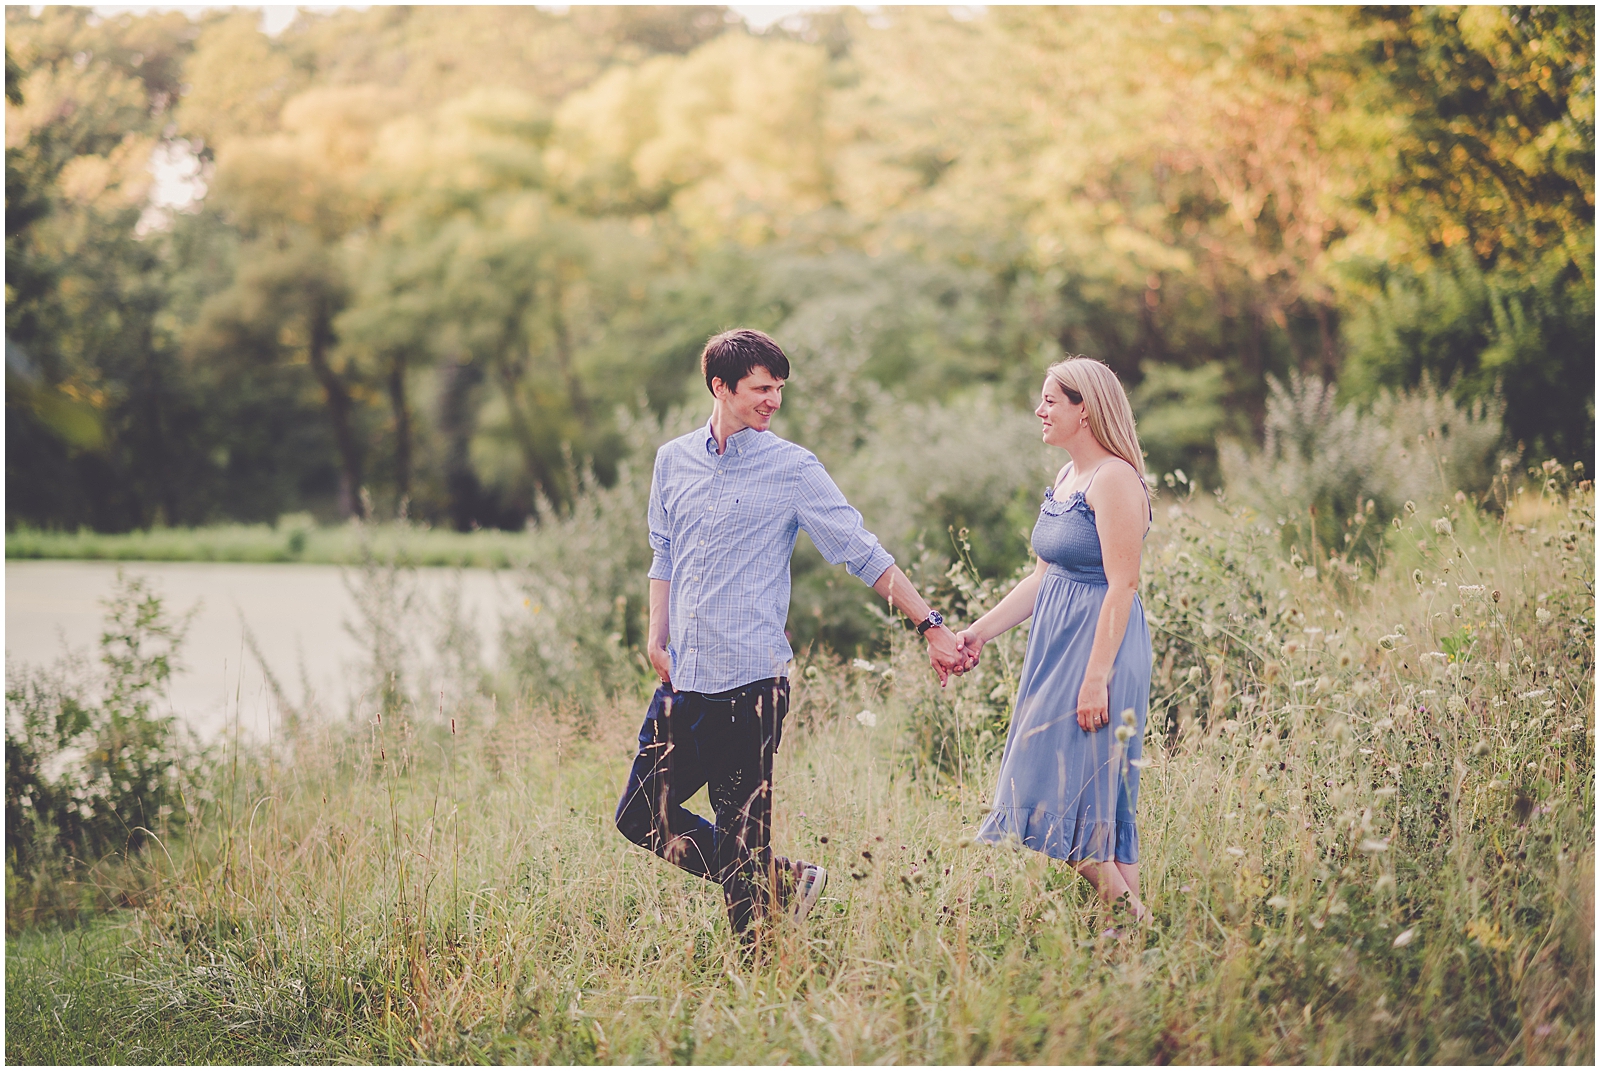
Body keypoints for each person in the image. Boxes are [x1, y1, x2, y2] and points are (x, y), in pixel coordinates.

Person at [614, 328, 966, 939]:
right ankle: (785, 882)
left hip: (751, 684)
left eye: (779, 388)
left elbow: (860, 551)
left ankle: (757, 973)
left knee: (743, 830)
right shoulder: (672, 460)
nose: (773, 400)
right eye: (760, 389)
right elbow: (663, 552)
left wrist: (929, 623)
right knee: (642, 815)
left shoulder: (793, 469)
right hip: (684, 676)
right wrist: (655, 635)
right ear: (719, 387)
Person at [954, 356, 1155, 926]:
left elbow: (1123, 585)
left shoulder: (1114, 478)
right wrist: (979, 632)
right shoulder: (1070, 477)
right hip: (1057, 644)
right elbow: (1042, 578)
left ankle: (1137, 923)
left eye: (1050, 400)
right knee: (1092, 802)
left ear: (1083, 409)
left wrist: (1096, 679)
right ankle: (1130, 941)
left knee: (1060, 793)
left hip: (1099, 649)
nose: (1039, 411)